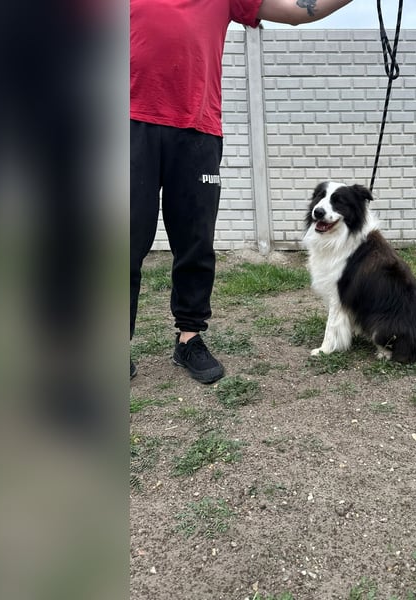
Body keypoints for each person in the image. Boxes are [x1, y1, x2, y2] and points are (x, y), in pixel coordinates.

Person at [130, 0, 354, 383]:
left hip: (197, 131)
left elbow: (301, 10)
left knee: (196, 242)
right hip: (128, 124)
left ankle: (189, 338)